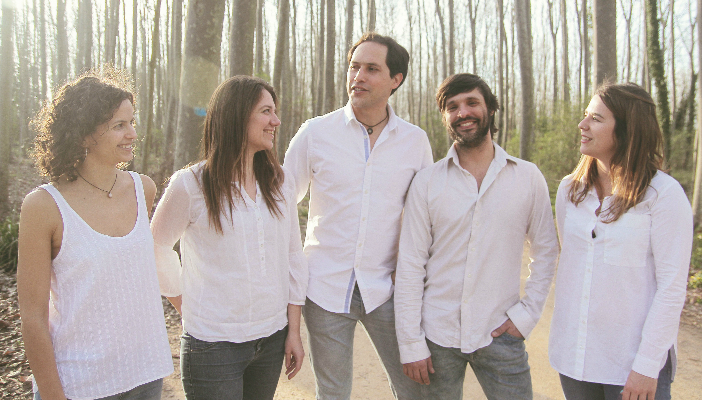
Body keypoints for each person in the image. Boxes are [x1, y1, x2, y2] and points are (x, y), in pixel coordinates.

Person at [283, 32, 432, 399]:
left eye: (371, 69)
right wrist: (290, 277)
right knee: (333, 393)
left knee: (415, 389)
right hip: (324, 287)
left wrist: (411, 272)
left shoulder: (415, 142)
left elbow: (425, 218)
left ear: (395, 80)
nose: (358, 76)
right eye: (354, 67)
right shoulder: (315, 133)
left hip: (387, 289)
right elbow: (281, 204)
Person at [394, 73, 559, 400]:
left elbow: (546, 251)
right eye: (452, 106)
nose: (463, 112)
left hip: (500, 334)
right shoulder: (427, 183)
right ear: (445, 117)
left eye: (472, 102)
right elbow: (410, 264)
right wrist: (411, 342)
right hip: (436, 337)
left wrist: (526, 316)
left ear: (490, 109)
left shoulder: (528, 178)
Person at [17, 69, 173, 400]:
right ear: (84, 134)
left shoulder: (142, 189)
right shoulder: (44, 206)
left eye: (132, 122)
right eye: (119, 125)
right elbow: (32, 317)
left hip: (145, 373)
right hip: (80, 384)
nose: (132, 133)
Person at [150, 75, 308, 400]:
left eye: (274, 111)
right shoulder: (191, 185)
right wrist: (185, 304)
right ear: (237, 116)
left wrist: (293, 330)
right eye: (266, 111)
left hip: (271, 339)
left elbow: (293, 255)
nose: (276, 121)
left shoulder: (280, 182)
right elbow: (155, 247)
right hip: (213, 348)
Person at [549, 82, 693, 400]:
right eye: (586, 115)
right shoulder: (569, 190)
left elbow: (672, 289)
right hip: (574, 358)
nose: (582, 124)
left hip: (631, 366)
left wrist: (646, 367)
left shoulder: (663, 195)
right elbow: (573, 263)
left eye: (596, 118)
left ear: (628, 129)